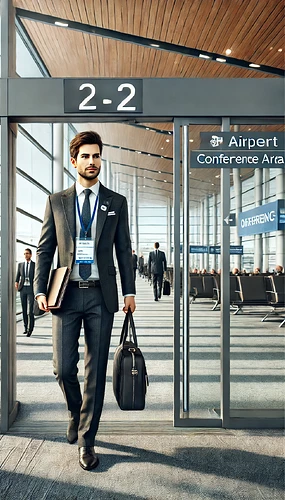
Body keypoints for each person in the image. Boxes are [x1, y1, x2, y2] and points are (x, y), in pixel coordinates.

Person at [34, 130, 136, 471]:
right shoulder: (56, 201)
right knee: (62, 369)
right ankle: (77, 413)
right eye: (86, 156)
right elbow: (46, 249)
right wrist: (38, 290)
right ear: (74, 161)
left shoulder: (116, 202)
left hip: (101, 297)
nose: (93, 162)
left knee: (95, 373)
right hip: (64, 296)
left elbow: (123, 250)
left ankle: (87, 440)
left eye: (97, 156)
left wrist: (130, 291)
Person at [15, 248, 35, 336]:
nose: (25, 255)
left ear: (30, 255)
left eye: (27, 253)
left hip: (31, 289)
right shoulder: (20, 265)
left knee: (30, 311)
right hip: (23, 289)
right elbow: (18, 275)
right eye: (24, 254)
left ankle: (30, 329)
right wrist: (16, 282)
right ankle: (25, 327)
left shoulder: (35, 265)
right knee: (24, 309)